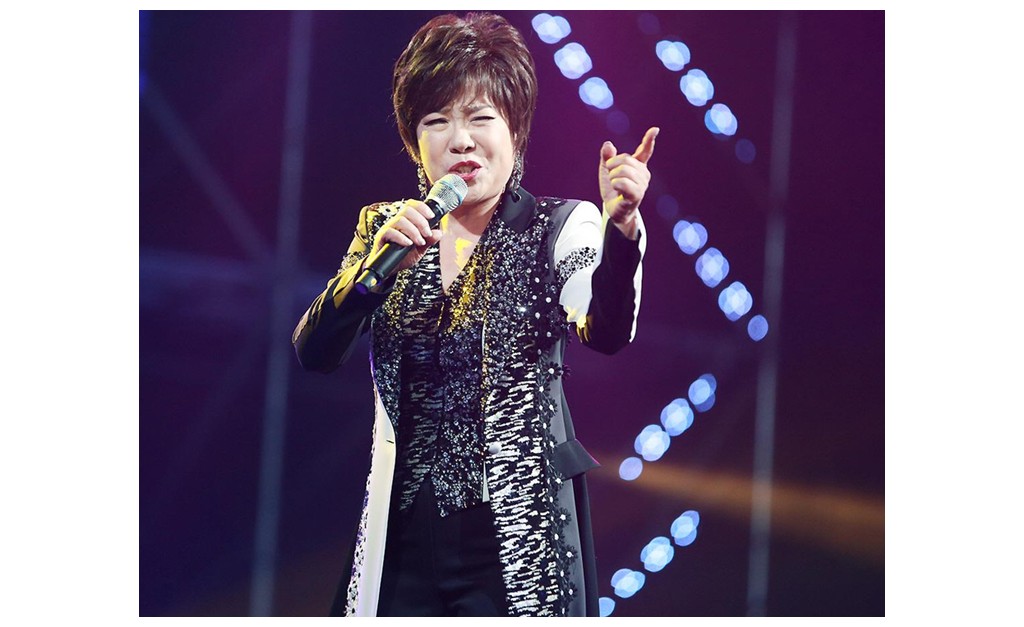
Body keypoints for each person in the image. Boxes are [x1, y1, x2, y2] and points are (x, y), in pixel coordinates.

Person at [292, 12, 658, 617]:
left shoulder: (559, 226)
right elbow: (314, 350)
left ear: (515, 131)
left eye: (480, 117)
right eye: (437, 121)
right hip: (403, 539)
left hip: (515, 543)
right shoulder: (386, 227)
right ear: (415, 142)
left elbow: (607, 329)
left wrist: (621, 228)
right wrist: (371, 274)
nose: (460, 140)